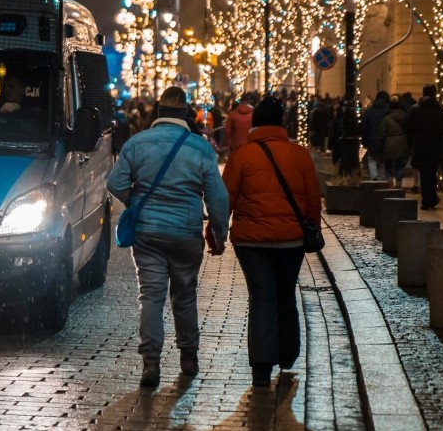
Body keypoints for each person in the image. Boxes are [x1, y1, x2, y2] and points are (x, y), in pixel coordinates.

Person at [107, 86, 230, 388]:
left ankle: (151, 362)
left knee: (151, 296)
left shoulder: (137, 143)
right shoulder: (200, 148)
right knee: (185, 297)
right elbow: (217, 197)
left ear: (159, 113)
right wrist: (219, 232)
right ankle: (188, 357)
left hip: (148, 232)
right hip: (186, 232)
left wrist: (136, 202)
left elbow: (115, 182)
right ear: (185, 113)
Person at [221, 96, 322, 387]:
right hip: (291, 239)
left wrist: (217, 232)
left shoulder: (242, 155)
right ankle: (288, 354)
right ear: (282, 122)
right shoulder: (300, 155)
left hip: (251, 241)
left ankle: (262, 367)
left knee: (262, 296)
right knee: (285, 293)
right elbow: (313, 198)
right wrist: (311, 227)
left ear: (255, 122)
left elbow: (226, 196)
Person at [404, 84, 443, 210]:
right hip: (435, 146)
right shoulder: (439, 109)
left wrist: (412, 140)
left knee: (424, 173)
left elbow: (406, 125)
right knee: (433, 172)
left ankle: (426, 200)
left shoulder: (415, 109)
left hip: (420, 145)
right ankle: (432, 198)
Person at [378, 95, 409, 189]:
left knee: (387, 165)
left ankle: (389, 183)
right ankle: (399, 184)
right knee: (400, 165)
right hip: (402, 143)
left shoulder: (387, 118)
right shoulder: (405, 116)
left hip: (389, 142)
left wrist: (379, 144)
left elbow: (382, 132)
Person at [360, 91, 390, 180]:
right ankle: (382, 178)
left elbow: (364, 128)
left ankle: (374, 177)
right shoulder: (388, 111)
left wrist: (364, 140)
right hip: (386, 140)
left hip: (372, 139)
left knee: (372, 159)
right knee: (383, 161)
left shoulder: (368, 112)